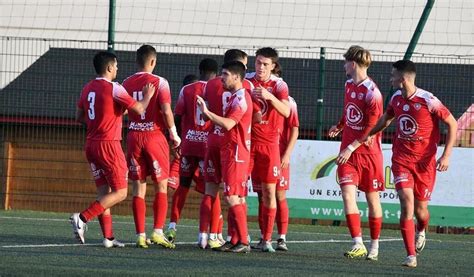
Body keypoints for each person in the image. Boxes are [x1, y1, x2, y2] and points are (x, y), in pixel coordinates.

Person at [365, 60, 457, 268]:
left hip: (425, 163)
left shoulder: (428, 100)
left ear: (403, 79)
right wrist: (368, 135)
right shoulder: (396, 98)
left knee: (421, 210)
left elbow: (452, 123)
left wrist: (447, 155)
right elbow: (386, 119)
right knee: (406, 203)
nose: (390, 79)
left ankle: (422, 229)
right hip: (401, 160)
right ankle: (410, 255)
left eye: (393, 76)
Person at [71, 51, 156, 248]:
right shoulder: (115, 88)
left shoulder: (87, 87)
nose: (117, 69)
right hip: (108, 145)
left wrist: (102, 121)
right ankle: (82, 218)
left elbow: (79, 117)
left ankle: (108, 238)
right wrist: (147, 96)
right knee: (121, 192)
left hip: (91, 145)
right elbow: (140, 109)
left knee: (104, 192)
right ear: (109, 68)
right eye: (116, 66)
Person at [328, 45, 384, 260]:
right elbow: (348, 110)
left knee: (372, 199)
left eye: (345, 62)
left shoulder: (373, 94)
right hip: (348, 154)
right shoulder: (349, 85)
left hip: (368, 154)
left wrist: (351, 148)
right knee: (347, 194)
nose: (344, 66)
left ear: (352, 64)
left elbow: (371, 129)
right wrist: (340, 125)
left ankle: (375, 247)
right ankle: (358, 243)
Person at [122, 44, 180, 249]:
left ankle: (140, 235)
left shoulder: (126, 83)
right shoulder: (160, 82)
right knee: (161, 185)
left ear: (136, 61)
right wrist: (174, 135)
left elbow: (122, 111)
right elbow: (166, 111)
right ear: (153, 61)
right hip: (154, 136)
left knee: (138, 187)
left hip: (134, 136)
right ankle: (157, 232)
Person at [196, 60, 253, 253]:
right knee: (233, 195)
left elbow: (228, 124)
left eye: (226, 74)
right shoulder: (235, 96)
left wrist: (207, 113)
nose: (222, 77)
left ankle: (244, 241)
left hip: (237, 153)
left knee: (232, 196)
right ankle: (234, 239)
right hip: (229, 150)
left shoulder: (241, 99)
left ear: (237, 77)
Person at [164, 58, 220, 247]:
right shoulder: (219, 89)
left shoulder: (187, 89)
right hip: (207, 147)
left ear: (200, 70)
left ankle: (172, 226)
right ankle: (208, 235)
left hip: (189, 145)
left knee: (183, 186)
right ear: (216, 72)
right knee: (211, 190)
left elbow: (178, 117)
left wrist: (177, 140)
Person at [246, 47, 290, 252]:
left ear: (273, 66)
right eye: (258, 63)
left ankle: (267, 239)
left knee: (269, 192)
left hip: (270, 146)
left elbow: (286, 111)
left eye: (265, 64)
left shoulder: (279, 85)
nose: (261, 67)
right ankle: (237, 236)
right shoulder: (246, 80)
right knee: (241, 191)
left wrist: (269, 97)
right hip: (247, 144)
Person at [274, 95, 299, 251]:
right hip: (261, 151)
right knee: (263, 194)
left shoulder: (289, 101)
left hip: (280, 153)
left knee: (279, 195)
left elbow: (295, 128)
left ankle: (282, 237)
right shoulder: (258, 92)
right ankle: (265, 237)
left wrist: (287, 154)